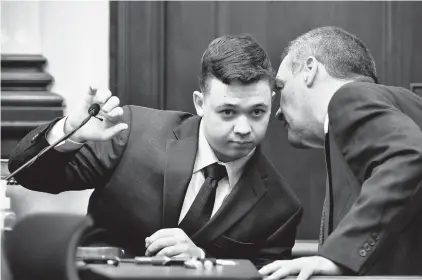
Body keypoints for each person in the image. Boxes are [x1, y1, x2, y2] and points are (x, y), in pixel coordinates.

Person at [8, 34, 303, 268]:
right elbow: (28, 174)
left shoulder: (280, 208)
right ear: (200, 103)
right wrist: (71, 131)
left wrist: (205, 262)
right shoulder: (134, 132)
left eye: (257, 112)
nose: (243, 128)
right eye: (228, 112)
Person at [259, 26, 422, 279]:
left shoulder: (349, 97)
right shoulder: (407, 104)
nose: (278, 112)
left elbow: (409, 156)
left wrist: (336, 257)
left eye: (281, 88)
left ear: (309, 70)